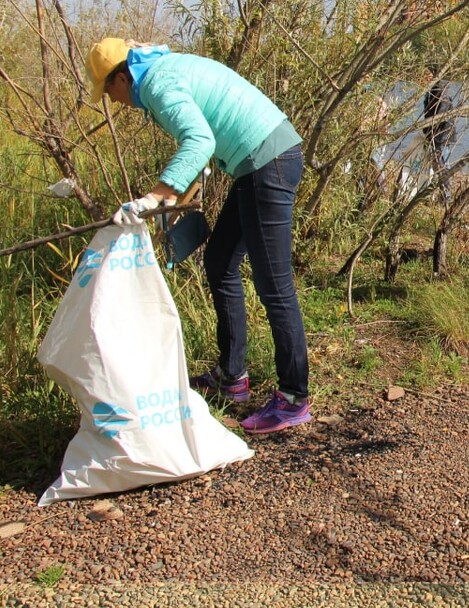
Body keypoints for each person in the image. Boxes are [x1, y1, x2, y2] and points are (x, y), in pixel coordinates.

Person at [85, 37, 312, 434]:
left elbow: (200, 140)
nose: (112, 100)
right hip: (257, 163)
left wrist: (159, 194)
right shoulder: (159, 69)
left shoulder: (157, 84)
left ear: (123, 77)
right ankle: (232, 376)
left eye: (109, 89)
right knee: (220, 260)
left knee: (274, 285)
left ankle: (293, 398)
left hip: (268, 162)